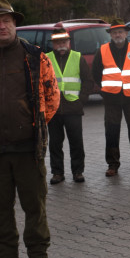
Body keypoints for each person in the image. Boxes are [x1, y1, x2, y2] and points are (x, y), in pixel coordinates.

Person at [0, 0, 59, 258]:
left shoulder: (34, 56)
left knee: (34, 207)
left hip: (28, 149)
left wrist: (36, 125)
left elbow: (52, 98)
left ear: (15, 23)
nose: (2, 25)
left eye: (7, 20)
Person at [92, 19, 130, 176]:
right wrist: (105, 89)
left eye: (120, 32)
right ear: (110, 34)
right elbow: (96, 73)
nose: (118, 34)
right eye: (114, 32)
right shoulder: (102, 50)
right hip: (111, 99)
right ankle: (112, 165)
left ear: (126, 33)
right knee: (111, 132)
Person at [46, 28, 94, 184]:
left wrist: (82, 100)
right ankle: (57, 173)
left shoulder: (77, 57)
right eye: (57, 42)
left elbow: (88, 81)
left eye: (63, 42)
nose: (61, 45)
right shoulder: (46, 59)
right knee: (55, 144)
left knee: (76, 142)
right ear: (53, 44)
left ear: (69, 43)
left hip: (73, 107)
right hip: (53, 109)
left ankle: (78, 171)